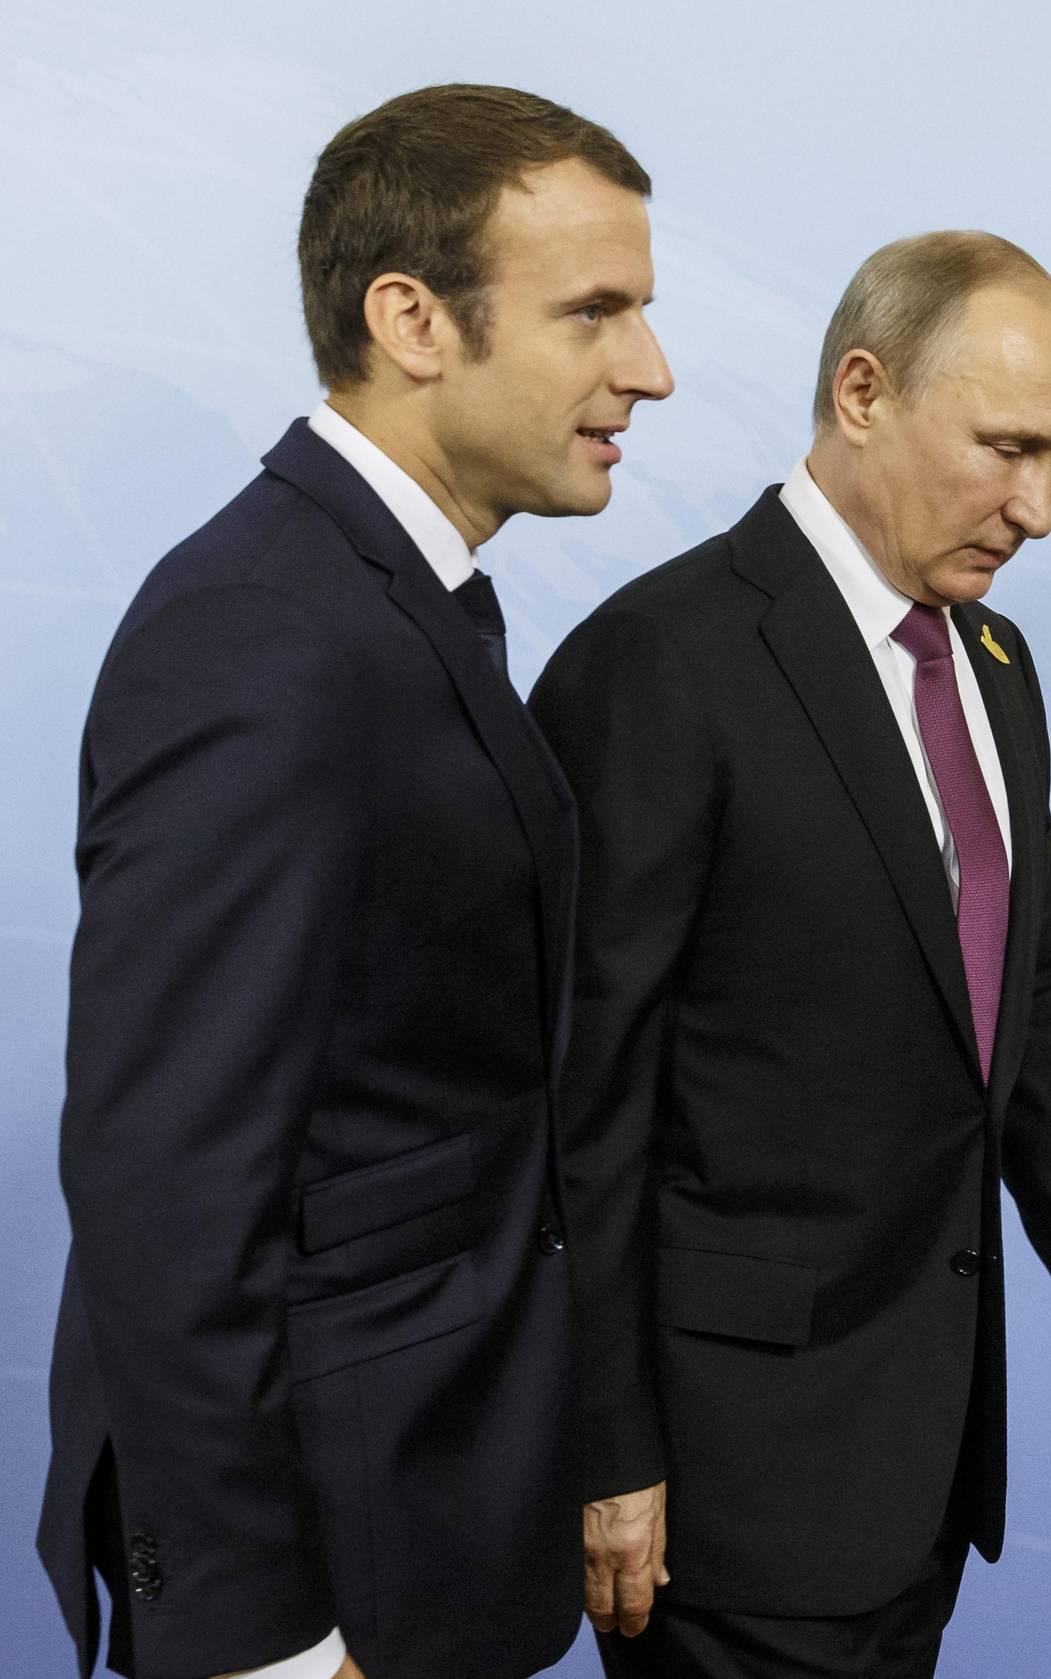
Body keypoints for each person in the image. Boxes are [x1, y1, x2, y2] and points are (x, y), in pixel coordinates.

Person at [37, 83, 672, 1679]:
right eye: (593, 312)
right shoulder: (262, 630)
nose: (648, 369)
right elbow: (164, 1179)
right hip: (323, 1576)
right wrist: (263, 1642)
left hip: (428, 1511)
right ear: (412, 321)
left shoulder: (393, 598)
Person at [528, 231, 1051, 1679]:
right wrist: (605, 1445)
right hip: (727, 1490)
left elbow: (1018, 987)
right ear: (861, 392)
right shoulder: (659, 663)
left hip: (923, 1471)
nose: (1039, 510)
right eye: (1008, 449)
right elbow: (578, 1097)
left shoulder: (996, 668)